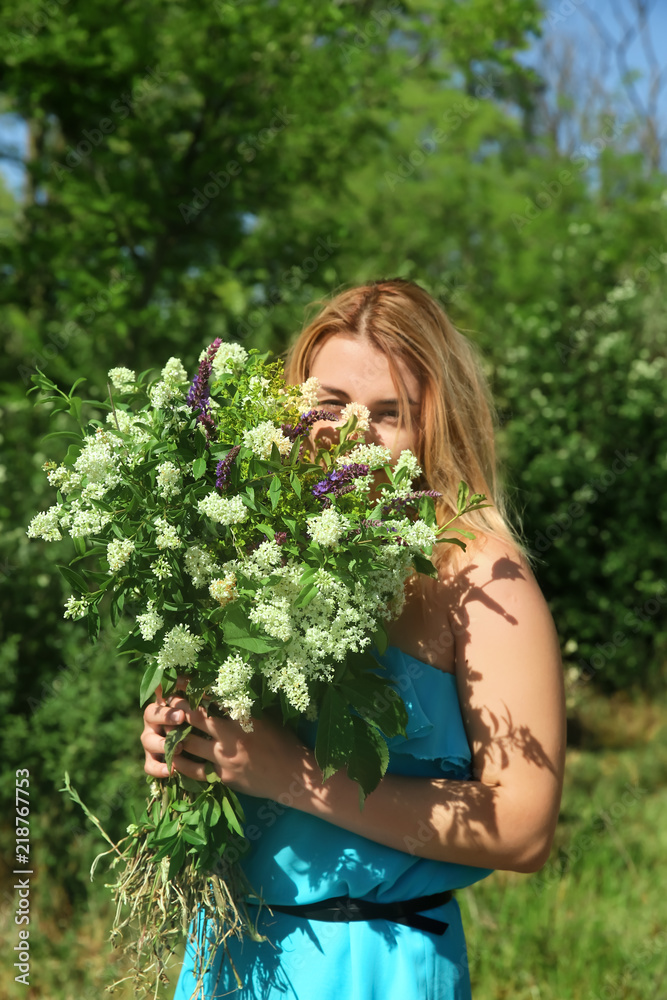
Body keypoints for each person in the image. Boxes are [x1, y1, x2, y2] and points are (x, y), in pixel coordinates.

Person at [141, 278, 566, 999]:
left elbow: (523, 829)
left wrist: (294, 777)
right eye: (330, 403)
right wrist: (182, 739)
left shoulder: (479, 575)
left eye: (389, 413)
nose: (351, 430)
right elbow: (235, 751)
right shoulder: (249, 543)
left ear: (434, 425)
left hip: (370, 958)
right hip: (230, 945)